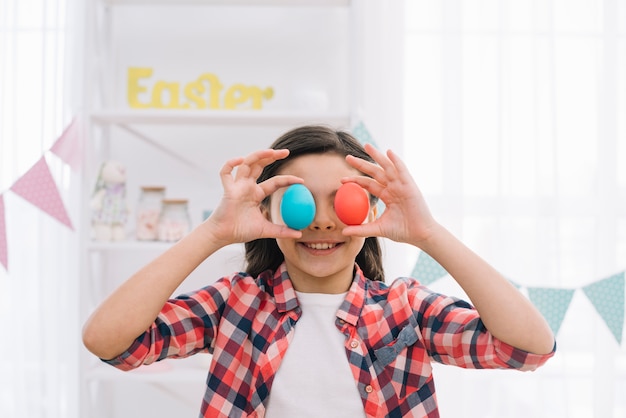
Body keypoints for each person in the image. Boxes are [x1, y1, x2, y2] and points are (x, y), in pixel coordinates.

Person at [82, 125, 556, 418]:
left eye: (343, 200)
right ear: (270, 210)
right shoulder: (236, 304)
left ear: (369, 211)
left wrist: (428, 232)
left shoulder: (403, 308)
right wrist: (213, 232)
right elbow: (110, 342)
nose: (323, 220)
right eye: (301, 201)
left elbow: (528, 348)